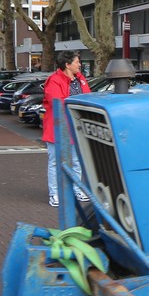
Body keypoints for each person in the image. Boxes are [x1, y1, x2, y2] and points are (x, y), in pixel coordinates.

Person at [42, 50, 91, 207]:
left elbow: (88, 97)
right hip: (58, 127)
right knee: (55, 162)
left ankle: (76, 189)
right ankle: (55, 193)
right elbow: (58, 103)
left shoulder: (80, 79)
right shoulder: (54, 80)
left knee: (77, 161)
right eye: (77, 62)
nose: (79, 65)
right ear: (67, 64)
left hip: (76, 127)